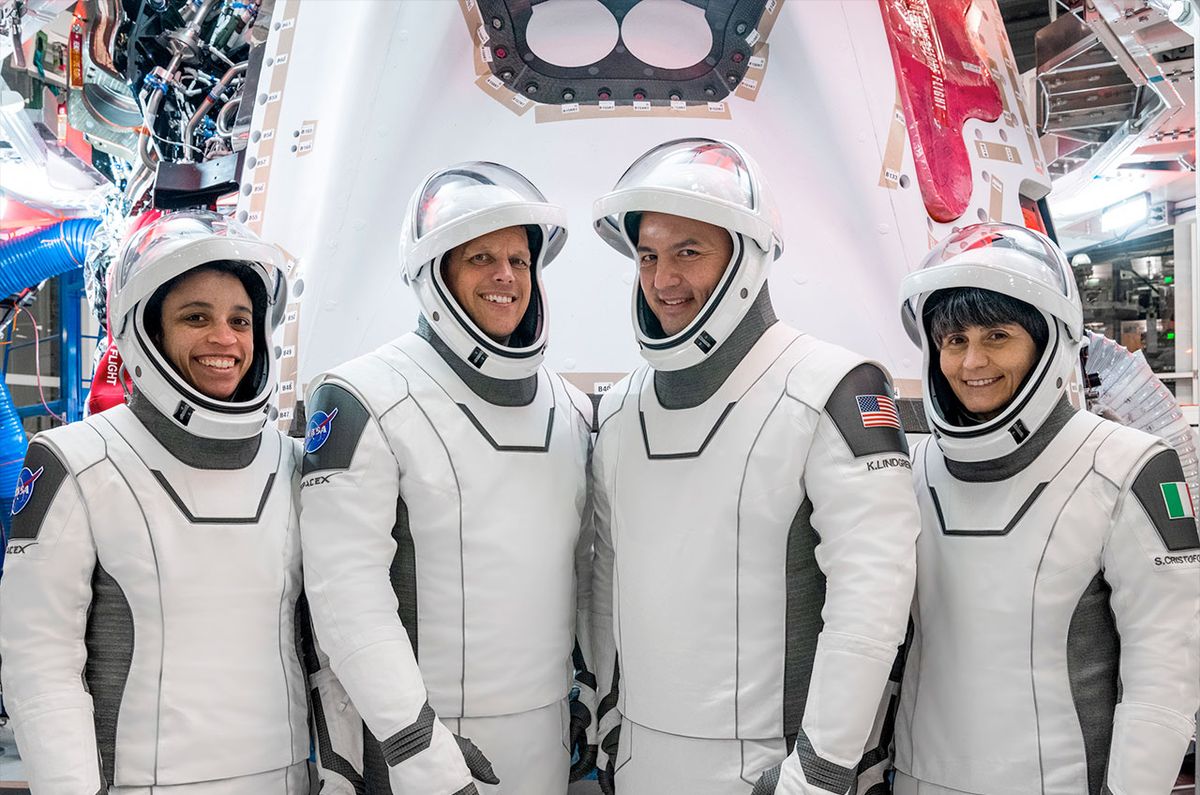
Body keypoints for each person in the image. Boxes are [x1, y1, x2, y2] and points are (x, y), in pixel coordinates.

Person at [588, 137, 920, 794]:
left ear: (745, 256)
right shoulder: (621, 408)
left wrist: (821, 768)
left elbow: (874, 596)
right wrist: (607, 716)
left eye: (688, 252)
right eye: (648, 256)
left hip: (775, 771)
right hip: (639, 761)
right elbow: (605, 575)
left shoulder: (832, 387)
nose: (662, 280)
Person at [299, 161, 596, 795]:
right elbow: (345, 593)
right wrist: (418, 752)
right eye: (480, 257)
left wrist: (589, 699)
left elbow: (585, 572)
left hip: (544, 736)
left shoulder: (567, 408)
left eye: (519, 259)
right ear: (436, 276)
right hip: (419, 749)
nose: (505, 276)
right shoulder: (364, 395)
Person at [0, 211, 309, 793]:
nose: (225, 339)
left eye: (240, 320)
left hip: (288, 777)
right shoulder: (77, 461)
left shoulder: (291, 463)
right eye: (197, 317)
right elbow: (38, 667)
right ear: (146, 330)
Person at [893, 222, 1200, 795]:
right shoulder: (914, 467)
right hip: (917, 776)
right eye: (953, 341)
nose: (970, 362)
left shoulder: (1127, 465)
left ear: (1050, 341)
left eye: (998, 336)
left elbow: (1165, 674)